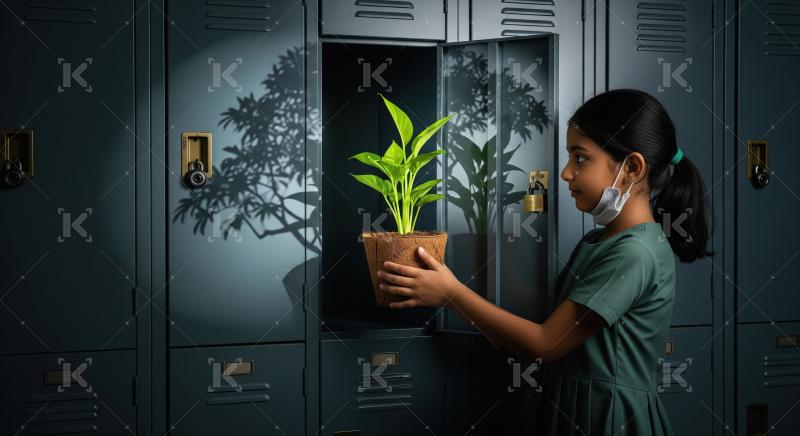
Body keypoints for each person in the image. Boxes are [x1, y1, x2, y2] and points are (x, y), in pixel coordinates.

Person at [376, 88, 714, 435]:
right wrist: (503, 257)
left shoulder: (635, 253)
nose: (566, 173)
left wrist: (450, 294)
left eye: (580, 158)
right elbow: (559, 318)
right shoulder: (599, 240)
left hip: (610, 420)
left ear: (631, 167)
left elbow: (546, 343)